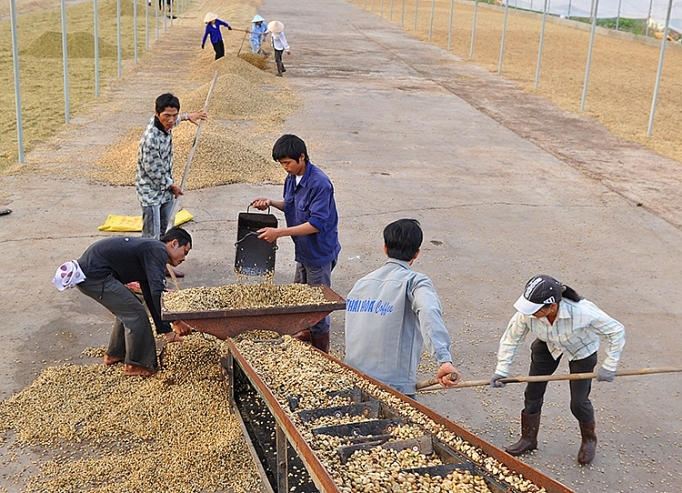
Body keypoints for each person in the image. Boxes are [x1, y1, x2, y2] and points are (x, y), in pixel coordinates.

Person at [489, 274, 626, 465]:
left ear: (552, 306)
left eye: (534, 310)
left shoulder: (583, 312)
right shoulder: (527, 313)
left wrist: (610, 365)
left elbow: (616, 331)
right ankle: (529, 439)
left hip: (582, 349)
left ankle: (589, 440)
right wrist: (502, 370)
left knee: (578, 402)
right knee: (533, 393)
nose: (528, 313)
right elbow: (511, 339)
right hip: (548, 345)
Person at [344, 219, 461, 399]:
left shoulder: (361, 284)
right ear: (417, 253)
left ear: (385, 248)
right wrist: (443, 359)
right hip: (392, 388)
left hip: (352, 379)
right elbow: (429, 311)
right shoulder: (414, 282)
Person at [252, 134, 341, 353]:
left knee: (317, 303)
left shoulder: (320, 183)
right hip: (302, 250)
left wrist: (279, 233)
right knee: (299, 295)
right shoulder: (292, 178)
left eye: (288, 163)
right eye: (282, 164)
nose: (285, 168)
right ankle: (305, 331)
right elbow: (291, 206)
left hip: (318, 251)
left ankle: (321, 352)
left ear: (302, 157)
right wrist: (271, 203)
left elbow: (316, 223)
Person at [64, 228, 194, 377]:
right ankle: (135, 365)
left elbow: (151, 295)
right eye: (185, 251)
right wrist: (176, 321)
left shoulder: (152, 251)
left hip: (93, 274)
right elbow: (158, 291)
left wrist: (167, 331)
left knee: (128, 307)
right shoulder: (158, 250)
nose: (184, 258)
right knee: (136, 313)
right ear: (174, 243)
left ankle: (115, 354)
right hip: (95, 276)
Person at [136, 93, 206, 279]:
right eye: (167, 115)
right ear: (157, 113)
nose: (171, 120)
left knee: (162, 234)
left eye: (175, 115)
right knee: (151, 236)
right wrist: (171, 185)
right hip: (151, 193)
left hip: (165, 190)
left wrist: (187, 116)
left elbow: (176, 120)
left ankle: (163, 265)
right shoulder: (150, 139)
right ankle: (149, 274)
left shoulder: (168, 123)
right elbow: (153, 171)